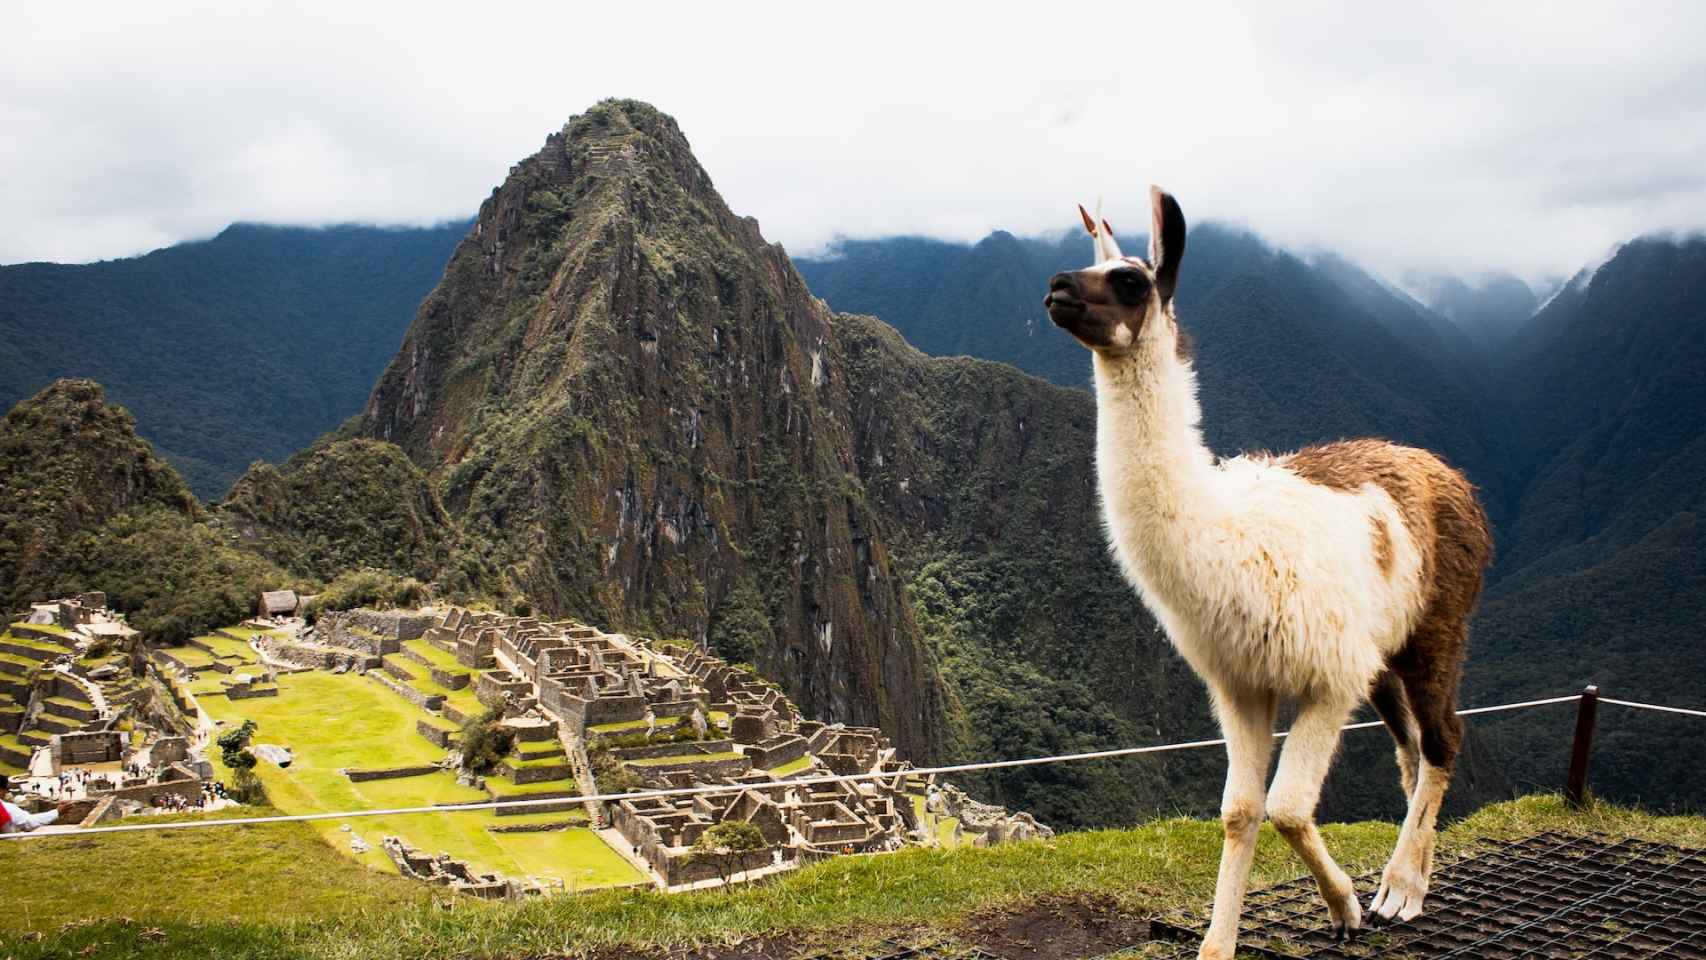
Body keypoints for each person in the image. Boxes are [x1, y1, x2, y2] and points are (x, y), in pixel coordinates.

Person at [1, 776, 72, 834]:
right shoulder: (6, 808)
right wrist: (57, 812)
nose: (7, 792)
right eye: (6, 789)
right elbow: (29, 823)